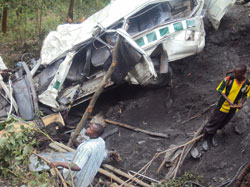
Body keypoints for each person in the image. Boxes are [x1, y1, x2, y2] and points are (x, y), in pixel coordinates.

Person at [202, 64, 250, 151]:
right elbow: (220, 90)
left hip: (233, 108)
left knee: (223, 122)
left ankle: (212, 135)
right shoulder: (229, 78)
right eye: (234, 72)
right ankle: (205, 139)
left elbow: (246, 94)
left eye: (236, 73)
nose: (234, 74)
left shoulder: (247, 83)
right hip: (222, 106)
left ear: (242, 74)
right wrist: (229, 101)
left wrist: (241, 103)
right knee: (214, 122)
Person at [49, 122, 106, 187]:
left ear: (95, 135)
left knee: (61, 180)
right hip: (88, 176)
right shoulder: (101, 141)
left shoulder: (87, 148)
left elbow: (77, 167)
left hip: (77, 178)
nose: (87, 129)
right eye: (88, 127)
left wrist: (58, 163)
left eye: (90, 129)